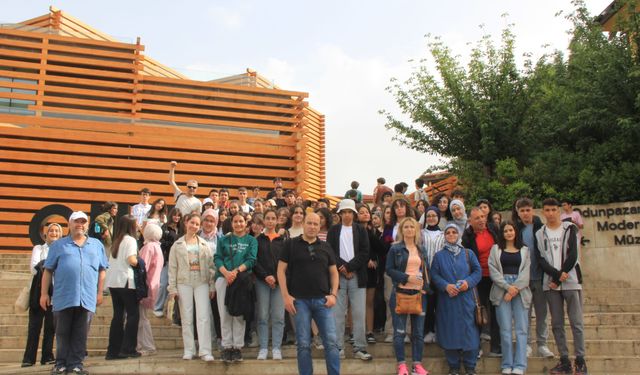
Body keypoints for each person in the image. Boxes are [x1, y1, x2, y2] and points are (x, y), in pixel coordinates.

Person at [41, 211, 109, 375]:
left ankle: (76, 364)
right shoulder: (58, 245)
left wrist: (100, 292)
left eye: (83, 222)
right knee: (62, 332)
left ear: (87, 225)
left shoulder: (96, 245)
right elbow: (48, 271)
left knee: (81, 333)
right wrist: (44, 294)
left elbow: (102, 270)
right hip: (63, 296)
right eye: (76, 222)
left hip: (87, 297)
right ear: (69, 225)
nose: (80, 225)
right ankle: (61, 364)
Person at [277, 212, 340, 375]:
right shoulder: (290, 244)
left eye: (316, 224)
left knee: (332, 343)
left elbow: (334, 272)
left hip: (323, 302)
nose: (312, 227)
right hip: (299, 302)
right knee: (303, 344)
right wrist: (286, 296)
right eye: (309, 223)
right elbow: (280, 271)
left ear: (320, 227)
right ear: (303, 224)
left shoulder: (326, 247)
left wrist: (333, 294)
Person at [535, 198, 587, 375]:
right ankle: (564, 360)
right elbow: (541, 259)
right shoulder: (540, 233)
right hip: (551, 284)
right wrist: (556, 277)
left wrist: (562, 274)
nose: (550, 213)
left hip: (571, 281)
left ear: (559, 211)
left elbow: (573, 253)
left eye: (553, 210)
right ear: (543, 212)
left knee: (576, 322)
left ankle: (580, 360)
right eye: (547, 210)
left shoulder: (570, 228)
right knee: (557, 324)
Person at [430, 223, 482, 375]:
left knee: (469, 331)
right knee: (449, 330)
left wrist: (467, 283)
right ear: (444, 236)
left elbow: (477, 271)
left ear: (458, 235)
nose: (451, 235)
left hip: (467, 299)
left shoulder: (468, 253)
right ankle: (453, 366)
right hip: (448, 300)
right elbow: (434, 275)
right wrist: (445, 286)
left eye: (454, 232)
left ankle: (470, 366)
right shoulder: (439, 256)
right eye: (448, 232)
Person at [327, 199, 372, 361]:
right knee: (337, 314)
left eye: (349, 212)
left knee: (359, 313)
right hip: (338, 277)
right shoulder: (333, 231)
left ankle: (360, 347)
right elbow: (329, 251)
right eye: (343, 212)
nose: (346, 215)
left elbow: (365, 252)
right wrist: (343, 268)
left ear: (353, 214)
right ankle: (338, 347)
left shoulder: (361, 230)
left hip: (357, 276)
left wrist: (350, 267)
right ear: (340, 214)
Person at [385, 217, 431, 375]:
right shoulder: (395, 249)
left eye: (412, 227)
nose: (409, 229)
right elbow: (389, 270)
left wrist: (425, 287)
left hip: (419, 295)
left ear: (416, 230)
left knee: (418, 332)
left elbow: (426, 271)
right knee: (399, 332)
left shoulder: (421, 249)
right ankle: (402, 365)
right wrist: (406, 278)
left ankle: (417, 364)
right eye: (406, 227)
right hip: (400, 294)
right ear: (402, 230)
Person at [168, 213, 215, 362]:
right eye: (192, 223)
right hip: (184, 282)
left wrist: (212, 285)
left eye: (197, 224)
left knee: (203, 316)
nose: (194, 226)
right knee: (187, 317)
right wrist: (172, 288)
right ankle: (189, 349)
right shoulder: (177, 245)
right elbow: (172, 268)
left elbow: (211, 266)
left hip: (201, 281)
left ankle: (205, 350)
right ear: (186, 222)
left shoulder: (204, 244)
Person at [512, 198, 554, 358]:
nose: (525, 213)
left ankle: (542, 344)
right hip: (523, 279)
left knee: (542, 313)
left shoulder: (541, 228)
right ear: (518, 212)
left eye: (528, 210)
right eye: (522, 211)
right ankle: (527, 344)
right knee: (524, 314)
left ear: (533, 210)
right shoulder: (516, 230)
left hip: (540, 277)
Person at [214, 212, 258, 363]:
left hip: (241, 280)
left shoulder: (251, 240)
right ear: (231, 223)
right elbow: (218, 257)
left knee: (239, 314)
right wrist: (226, 273)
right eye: (236, 221)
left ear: (246, 223)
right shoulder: (224, 239)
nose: (239, 224)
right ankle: (227, 347)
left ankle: (237, 348)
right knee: (224, 314)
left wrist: (236, 272)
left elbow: (252, 260)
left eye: (241, 221)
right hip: (223, 279)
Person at [489, 222, 532, 375]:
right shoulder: (495, 249)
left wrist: (514, 289)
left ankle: (520, 365)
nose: (508, 233)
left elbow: (526, 273)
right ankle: (507, 364)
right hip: (501, 290)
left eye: (511, 230)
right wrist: (507, 288)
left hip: (520, 290)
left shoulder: (525, 250)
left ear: (515, 232)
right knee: (505, 329)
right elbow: (493, 272)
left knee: (521, 329)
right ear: (502, 233)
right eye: (505, 231)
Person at [461, 207, 501, 356]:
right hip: (478, 278)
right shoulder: (467, 236)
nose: (481, 220)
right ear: (470, 221)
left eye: (483, 216)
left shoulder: (493, 230)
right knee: (477, 312)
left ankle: (497, 347)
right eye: (477, 218)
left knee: (496, 312)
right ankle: (475, 347)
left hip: (496, 277)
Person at [21, 223, 62, 368]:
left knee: (51, 327)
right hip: (39, 291)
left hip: (56, 291)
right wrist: (50, 264)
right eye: (51, 230)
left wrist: (44, 265)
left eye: (57, 231)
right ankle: (28, 358)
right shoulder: (39, 248)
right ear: (46, 233)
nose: (54, 233)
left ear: (61, 234)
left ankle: (47, 356)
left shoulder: (63, 249)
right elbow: (34, 268)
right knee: (34, 326)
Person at [105, 214, 141, 360]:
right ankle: (128, 348)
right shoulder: (131, 240)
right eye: (136, 224)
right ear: (131, 226)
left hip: (114, 282)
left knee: (118, 316)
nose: (138, 226)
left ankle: (113, 351)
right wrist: (141, 263)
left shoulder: (117, 240)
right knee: (133, 315)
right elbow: (131, 260)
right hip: (125, 282)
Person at [254, 209, 286, 360]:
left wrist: (277, 278)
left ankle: (276, 348)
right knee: (262, 316)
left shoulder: (282, 241)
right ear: (264, 221)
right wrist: (266, 276)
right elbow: (254, 261)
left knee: (279, 316)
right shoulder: (257, 240)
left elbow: (285, 263)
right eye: (268, 218)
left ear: (277, 220)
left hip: (279, 283)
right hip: (262, 282)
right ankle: (263, 347)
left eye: (273, 218)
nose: (271, 221)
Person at [356, 203, 382, 344]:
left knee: (369, 302)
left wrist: (373, 259)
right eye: (361, 212)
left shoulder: (373, 232)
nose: (365, 214)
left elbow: (380, 248)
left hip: (371, 271)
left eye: (367, 212)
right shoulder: (353, 230)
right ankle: (355, 332)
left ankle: (369, 331)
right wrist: (366, 260)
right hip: (357, 270)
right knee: (354, 304)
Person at [137, 224, 164, 355]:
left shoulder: (148, 247)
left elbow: (142, 267)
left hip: (145, 286)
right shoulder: (158, 247)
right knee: (142, 317)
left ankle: (147, 346)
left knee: (142, 318)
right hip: (153, 286)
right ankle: (143, 345)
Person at [421, 206, 444, 344]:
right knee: (428, 304)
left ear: (438, 217)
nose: (431, 218)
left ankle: (439, 331)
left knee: (439, 303)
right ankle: (428, 330)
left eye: (434, 216)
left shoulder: (444, 234)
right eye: (428, 216)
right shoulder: (421, 233)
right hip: (425, 273)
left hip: (441, 273)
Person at [154, 208, 182, 318]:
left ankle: (174, 312)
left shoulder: (182, 228)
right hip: (167, 259)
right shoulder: (165, 227)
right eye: (175, 215)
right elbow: (161, 243)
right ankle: (158, 307)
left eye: (179, 216)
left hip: (180, 260)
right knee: (164, 283)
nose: (177, 218)